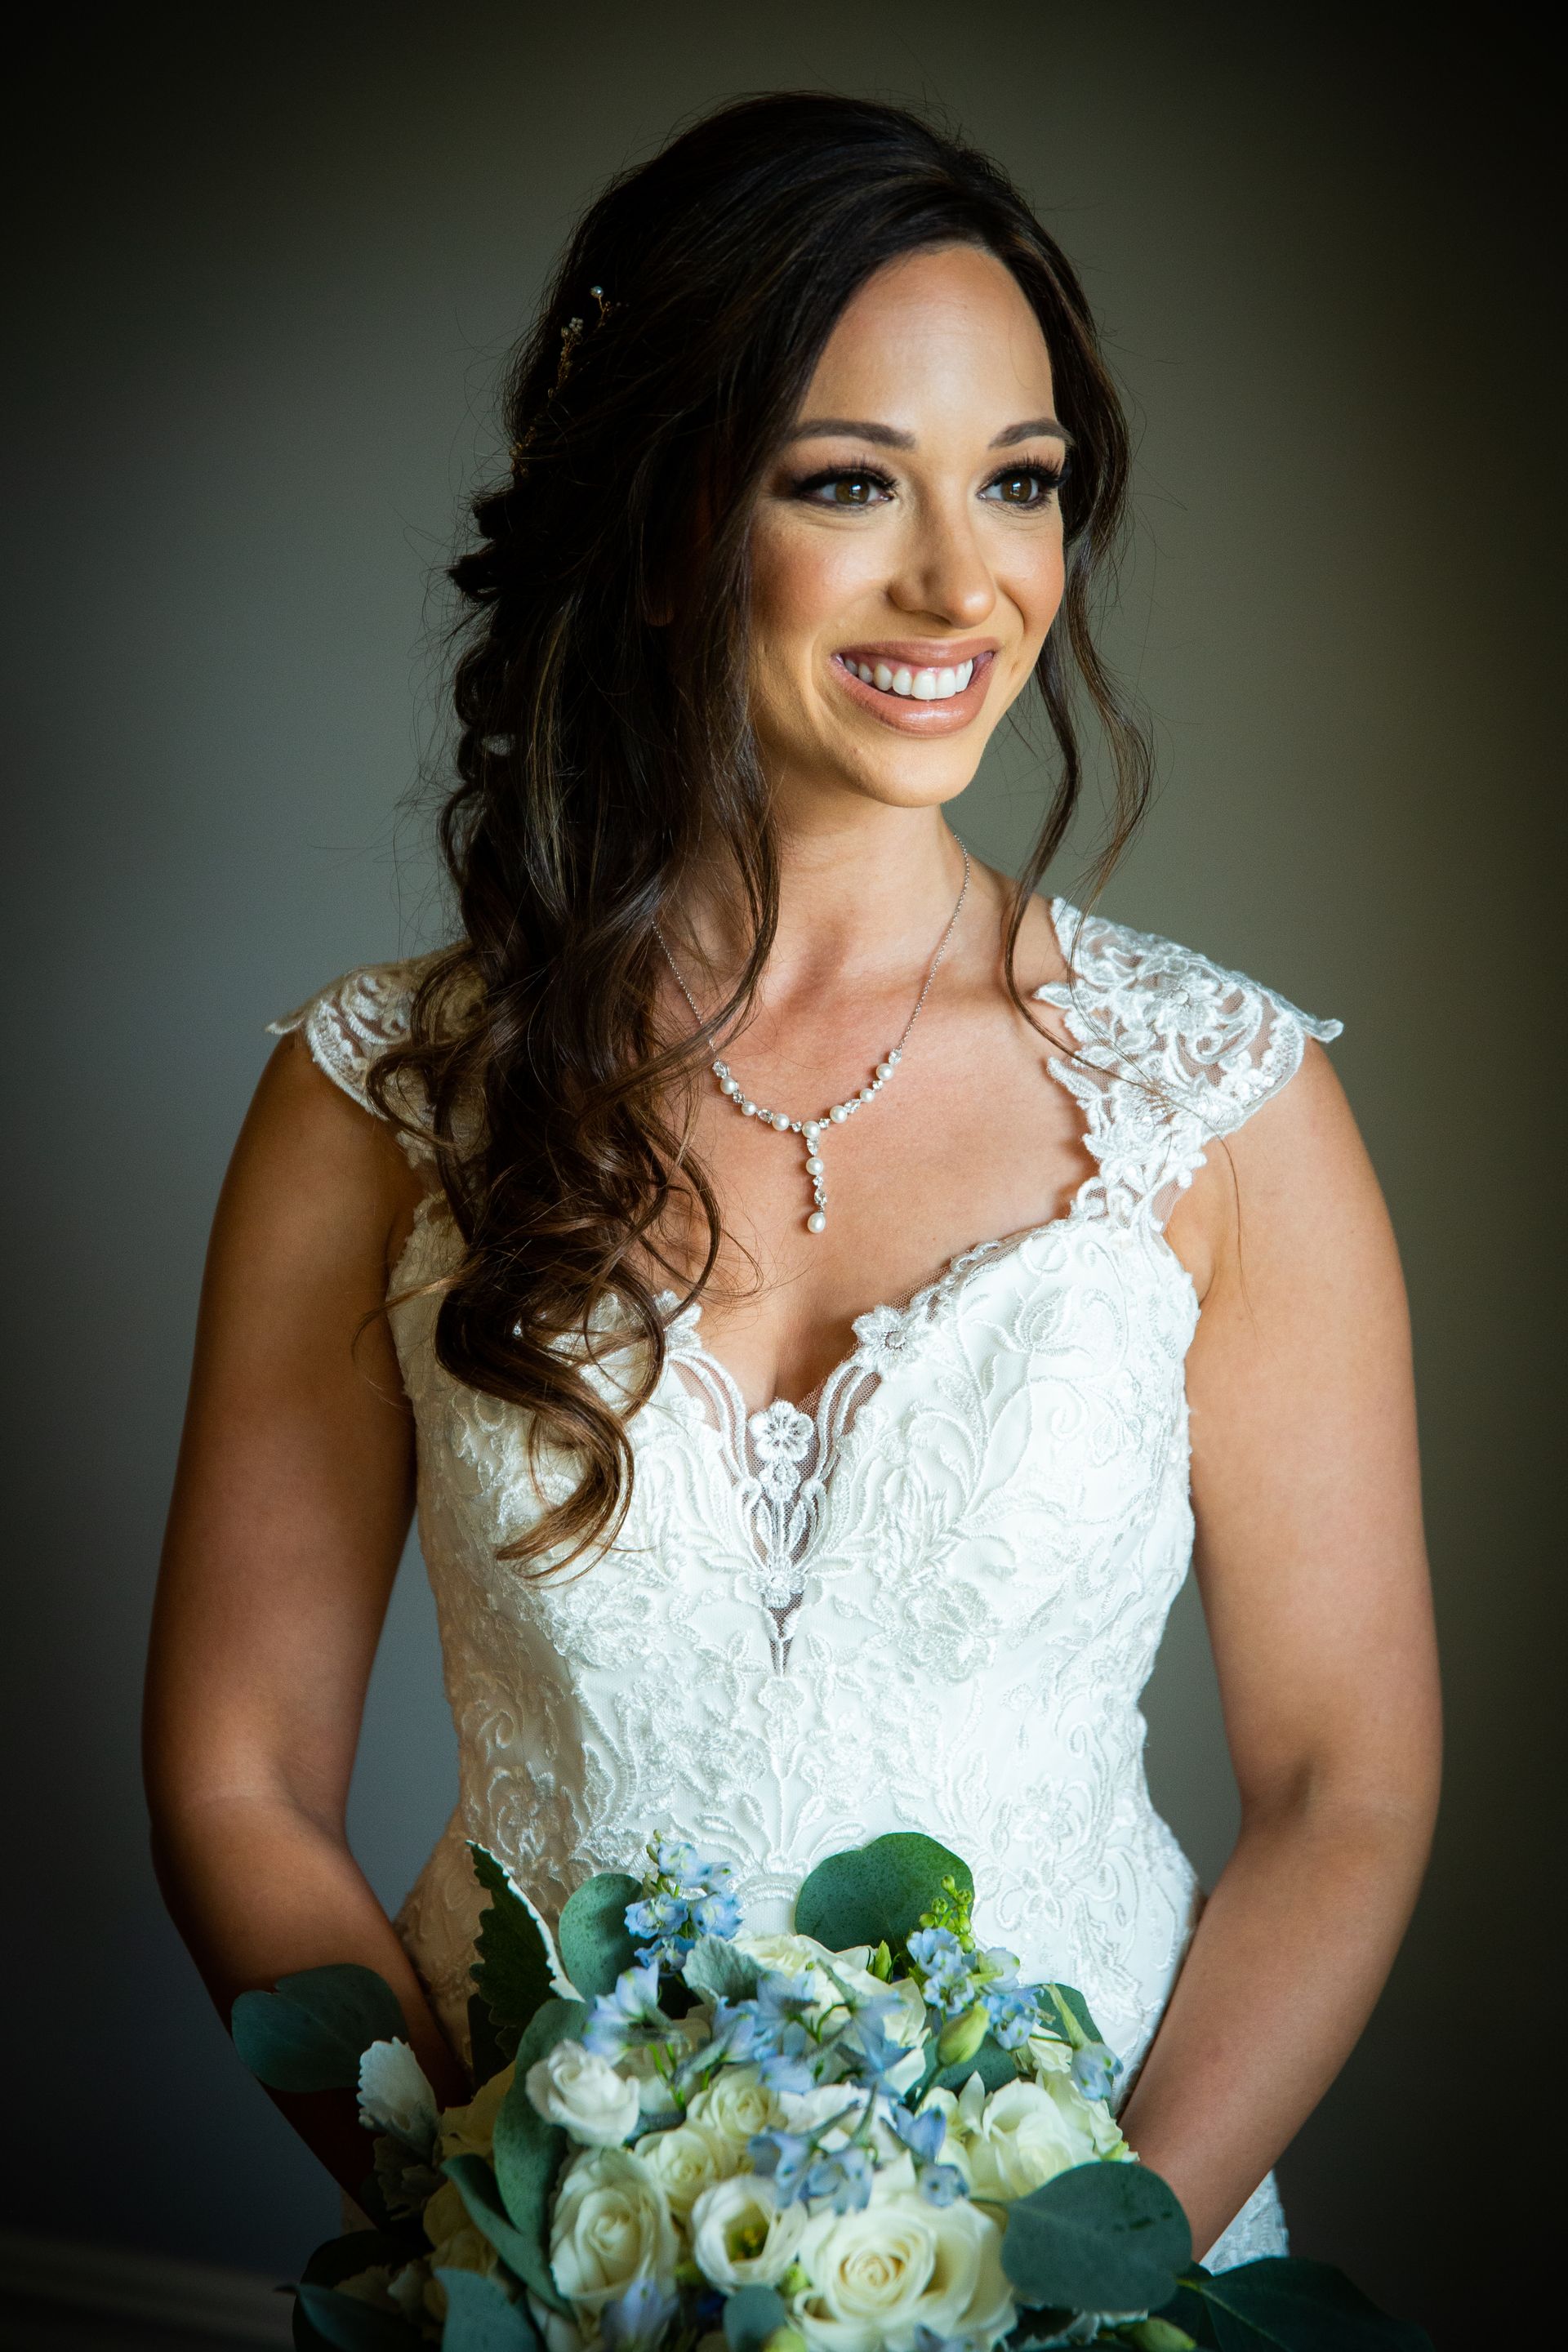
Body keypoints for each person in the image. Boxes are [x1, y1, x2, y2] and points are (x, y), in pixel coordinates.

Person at [143, 92, 1441, 2270]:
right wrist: (501, 2249)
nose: (966, 581)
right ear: (664, 529)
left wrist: (1079, 2284)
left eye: (1017, 485)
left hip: (1102, 2279)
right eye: (851, 484)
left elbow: (1346, 1795)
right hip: (547, 2281)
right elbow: (237, 1779)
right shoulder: (378, 1099)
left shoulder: (1222, 1107)